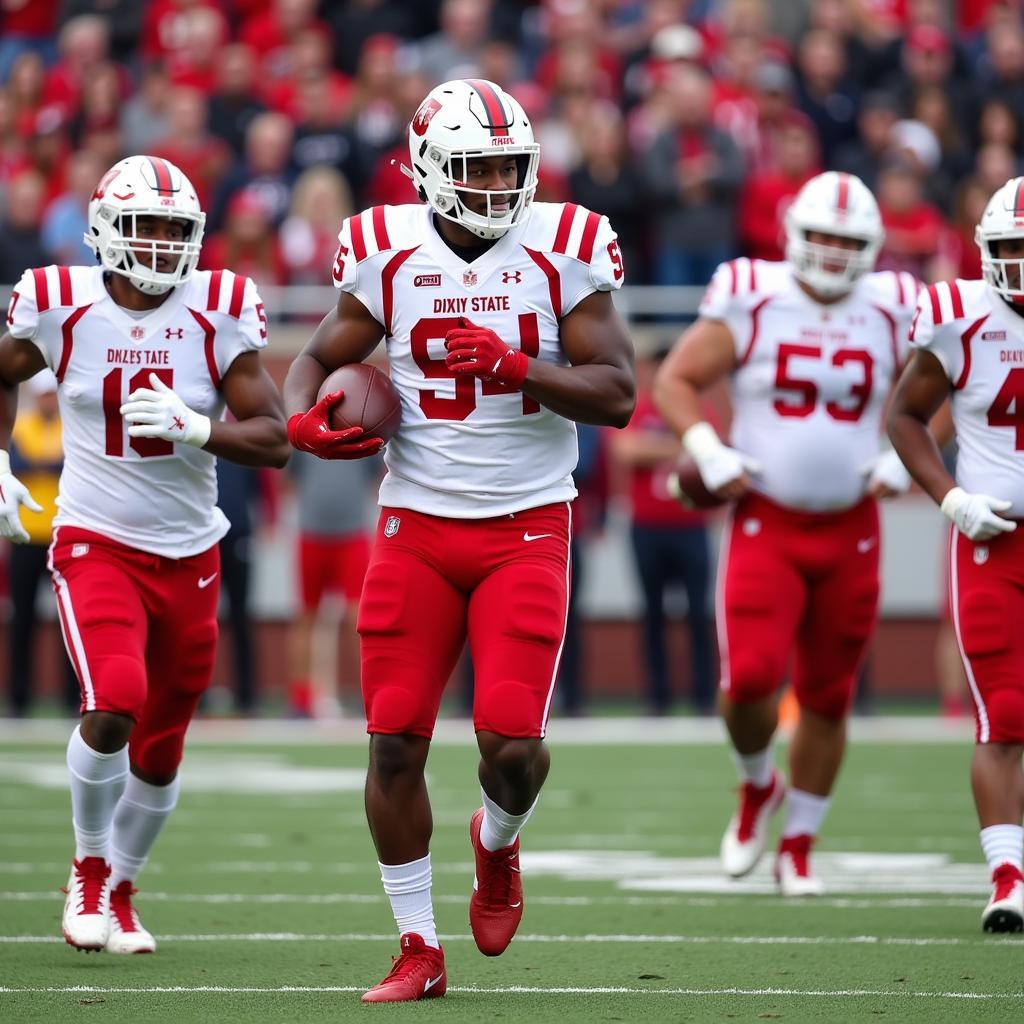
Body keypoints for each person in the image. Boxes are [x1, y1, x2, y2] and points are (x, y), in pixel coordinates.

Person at [283, 78, 634, 1002]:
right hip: (416, 528)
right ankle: (416, 946)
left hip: (527, 525)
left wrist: (522, 365)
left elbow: (619, 392)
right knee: (393, 742)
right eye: (476, 168)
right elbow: (315, 360)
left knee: (511, 745)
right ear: (432, 172)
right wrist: (301, 421)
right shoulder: (387, 254)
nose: (496, 185)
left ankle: (497, 844)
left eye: (509, 167)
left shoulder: (563, 248)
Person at [0, 155, 288, 955]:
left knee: (161, 748)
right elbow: (4, 369)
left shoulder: (218, 307)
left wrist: (201, 429)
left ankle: (122, 891)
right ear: (103, 233)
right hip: (96, 538)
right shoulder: (61, 304)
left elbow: (275, 438)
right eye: (145, 228)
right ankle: (88, 869)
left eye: (175, 230)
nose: (162, 246)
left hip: (192, 552)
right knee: (114, 701)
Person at [653, 171, 918, 895]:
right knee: (750, 684)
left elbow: (953, 384)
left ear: (872, 249)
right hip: (766, 520)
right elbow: (675, 380)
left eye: (848, 242)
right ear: (793, 234)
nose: (832, 254)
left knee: (830, 696)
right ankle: (754, 785)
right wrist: (708, 450)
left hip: (851, 529)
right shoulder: (752, 292)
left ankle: (798, 844)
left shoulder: (895, 306)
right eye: (823, 237)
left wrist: (907, 455)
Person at [887, 175, 1024, 933]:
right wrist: (950, 497)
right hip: (994, 539)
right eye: (1011, 250)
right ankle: (1009, 877)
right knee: (1003, 716)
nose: (1022, 265)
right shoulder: (960, 317)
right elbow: (904, 417)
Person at [610, 351, 715, 716]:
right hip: (648, 526)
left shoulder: (694, 409)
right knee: (652, 615)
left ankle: (704, 696)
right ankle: (658, 697)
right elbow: (626, 449)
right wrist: (678, 446)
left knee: (698, 614)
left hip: (691, 526)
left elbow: (714, 453)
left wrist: (655, 449)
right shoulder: (639, 408)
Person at [6, 368, 78, 717]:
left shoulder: (71, 427)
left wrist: (40, 467)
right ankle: (20, 697)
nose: (49, 400)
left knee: (72, 620)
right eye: (44, 394)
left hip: (63, 534)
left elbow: (69, 466)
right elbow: (17, 464)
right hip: (26, 534)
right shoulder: (22, 427)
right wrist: (48, 466)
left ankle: (73, 697)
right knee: (23, 619)